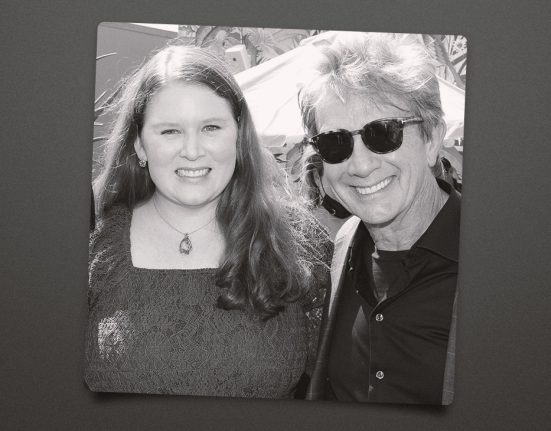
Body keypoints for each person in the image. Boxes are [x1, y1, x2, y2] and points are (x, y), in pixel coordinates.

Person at [85, 44, 331, 398]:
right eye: (170, 131)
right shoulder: (91, 244)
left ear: (238, 136)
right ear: (139, 145)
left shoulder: (299, 243)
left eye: (211, 127)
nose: (192, 150)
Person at [299, 32, 461, 405]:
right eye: (335, 143)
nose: (360, 165)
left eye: (383, 133)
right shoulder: (342, 248)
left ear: (432, 139)